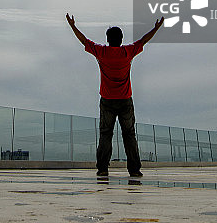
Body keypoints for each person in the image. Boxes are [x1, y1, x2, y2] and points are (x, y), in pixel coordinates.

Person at [66, 12, 164, 177]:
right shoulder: (127, 52)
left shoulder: (101, 52)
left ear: (108, 39)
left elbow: (83, 40)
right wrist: (156, 28)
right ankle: (134, 169)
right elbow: (143, 41)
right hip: (125, 100)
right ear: (121, 39)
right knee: (129, 135)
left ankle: (103, 168)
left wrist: (72, 26)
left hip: (107, 101)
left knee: (106, 134)